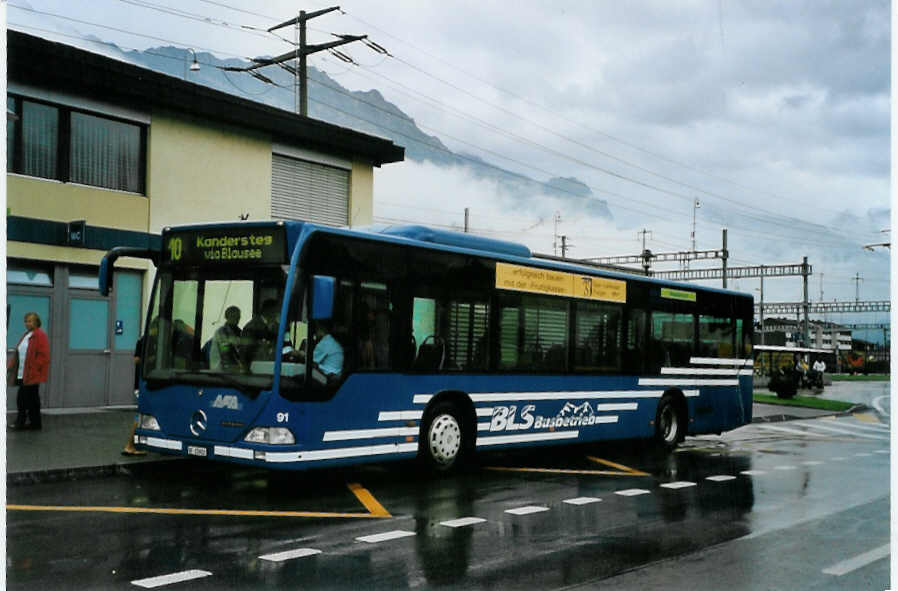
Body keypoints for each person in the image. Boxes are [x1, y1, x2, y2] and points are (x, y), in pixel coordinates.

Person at [9, 312, 50, 430]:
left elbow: (44, 356)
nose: (27, 323)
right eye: (26, 321)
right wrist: (9, 366)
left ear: (36, 322)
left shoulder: (40, 335)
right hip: (22, 372)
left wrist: (34, 369)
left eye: (30, 321)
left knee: (23, 399)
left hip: (31, 374)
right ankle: (35, 423)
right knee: (31, 399)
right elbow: (18, 353)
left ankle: (21, 423)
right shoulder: (27, 335)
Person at [122, 336, 147, 455]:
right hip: (141, 385)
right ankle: (129, 445)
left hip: (145, 384)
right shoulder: (143, 340)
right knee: (140, 416)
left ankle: (136, 444)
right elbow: (136, 359)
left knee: (142, 416)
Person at [242, 299, 280, 366]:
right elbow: (246, 351)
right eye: (275, 311)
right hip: (256, 367)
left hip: (272, 365)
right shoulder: (252, 327)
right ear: (267, 311)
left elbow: (281, 344)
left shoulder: (276, 326)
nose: (277, 314)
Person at [210, 306, 243, 371]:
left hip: (234, 370)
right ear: (227, 317)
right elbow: (225, 352)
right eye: (233, 316)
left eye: (238, 317)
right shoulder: (221, 332)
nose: (236, 319)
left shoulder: (239, 332)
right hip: (221, 370)